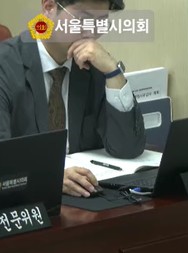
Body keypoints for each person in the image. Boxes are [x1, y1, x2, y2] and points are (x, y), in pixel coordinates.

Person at [0, 0, 145, 197]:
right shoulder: (5, 65)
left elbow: (128, 148)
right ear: (49, 8)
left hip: (86, 195)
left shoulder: (93, 65)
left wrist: (113, 71)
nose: (91, 33)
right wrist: (48, 177)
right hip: (24, 200)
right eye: (83, 19)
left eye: (101, 22)